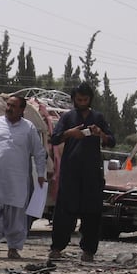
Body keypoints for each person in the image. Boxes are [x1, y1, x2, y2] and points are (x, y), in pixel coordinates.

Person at [49, 82, 115, 262]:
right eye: (79, 99)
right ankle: (57, 247)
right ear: (74, 100)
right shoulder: (67, 118)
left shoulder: (98, 117)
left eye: (85, 99)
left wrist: (100, 133)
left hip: (91, 174)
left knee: (92, 213)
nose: (82, 102)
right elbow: (54, 138)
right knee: (64, 213)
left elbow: (111, 140)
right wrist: (70, 133)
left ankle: (89, 250)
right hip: (70, 173)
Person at [0, 94, 47, 259]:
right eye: (8, 105)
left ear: (22, 110)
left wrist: (41, 174)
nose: (9, 108)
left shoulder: (28, 128)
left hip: (17, 179)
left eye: (13, 106)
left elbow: (39, 152)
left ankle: (13, 247)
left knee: (15, 214)